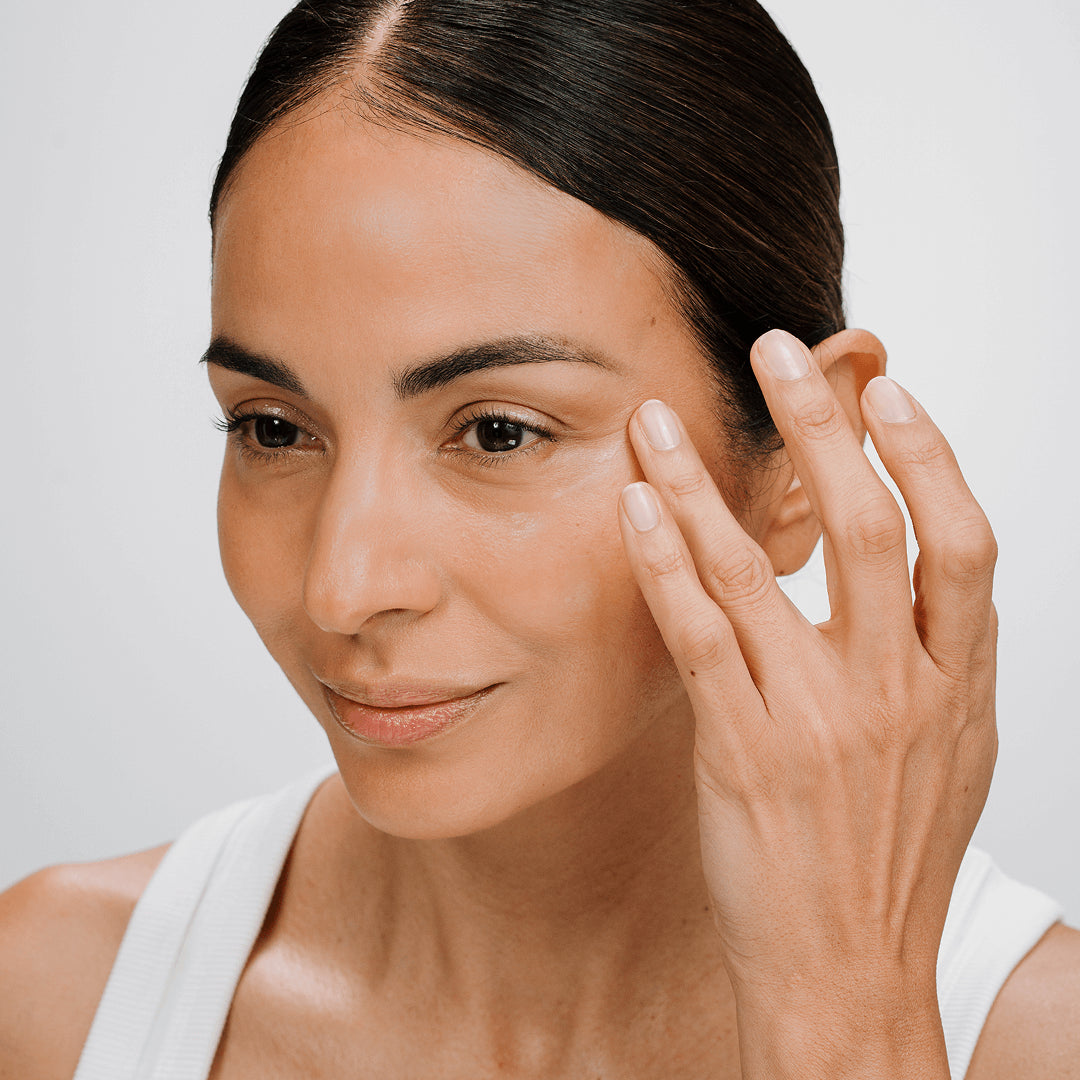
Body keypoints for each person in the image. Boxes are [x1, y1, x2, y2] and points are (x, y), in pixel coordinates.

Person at [2, 1, 1078, 1077]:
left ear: (802, 450)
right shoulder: (53, 998)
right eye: (274, 429)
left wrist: (843, 1014)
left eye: (499, 431)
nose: (343, 587)